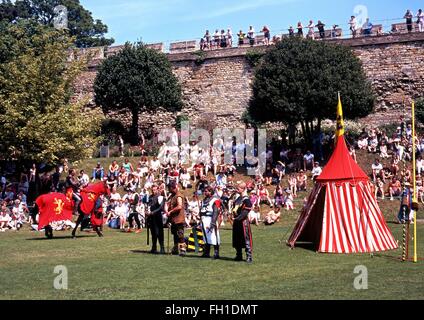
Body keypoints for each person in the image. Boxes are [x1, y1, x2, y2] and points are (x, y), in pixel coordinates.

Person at [231, 182, 253, 263]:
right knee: (237, 239)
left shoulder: (246, 200)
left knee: (246, 239)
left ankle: (249, 256)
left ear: (243, 189)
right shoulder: (238, 199)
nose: (237, 190)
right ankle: (239, 255)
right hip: (236, 222)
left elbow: (245, 212)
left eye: (238, 188)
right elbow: (234, 208)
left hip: (243, 223)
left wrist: (237, 218)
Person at [199, 186, 221, 259]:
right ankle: (206, 252)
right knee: (205, 237)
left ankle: (216, 253)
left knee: (214, 236)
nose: (205, 193)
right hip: (203, 220)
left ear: (211, 191)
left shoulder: (215, 200)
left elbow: (216, 212)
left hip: (210, 219)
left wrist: (213, 223)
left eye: (207, 191)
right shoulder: (203, 200)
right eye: (204, 191)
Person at [165, 181, 186, 256]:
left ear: (172, 187)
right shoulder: (172, 196)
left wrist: (170, 211)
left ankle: (182, 249)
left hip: (179, 219)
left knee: (180, 234)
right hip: (173, 219)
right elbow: (167, 204)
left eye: (169, 188)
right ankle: (175, 249)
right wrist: (166, 209)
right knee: (174, 234)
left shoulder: (178, 196)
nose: (168, 190)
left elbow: (179, 206)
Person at [147, 184, 165, 254]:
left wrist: (153, 212)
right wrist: (147, 211)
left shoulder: (160, 197)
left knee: (159, 233)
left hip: (158, 217)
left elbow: (161, 207)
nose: (153, 191)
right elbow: (148, 205)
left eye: (154, 190)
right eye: (152, 190)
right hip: (151, 218)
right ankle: (154, 247)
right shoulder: (150, 197)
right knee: (153, 233)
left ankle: (162, 248)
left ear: (157, 190)